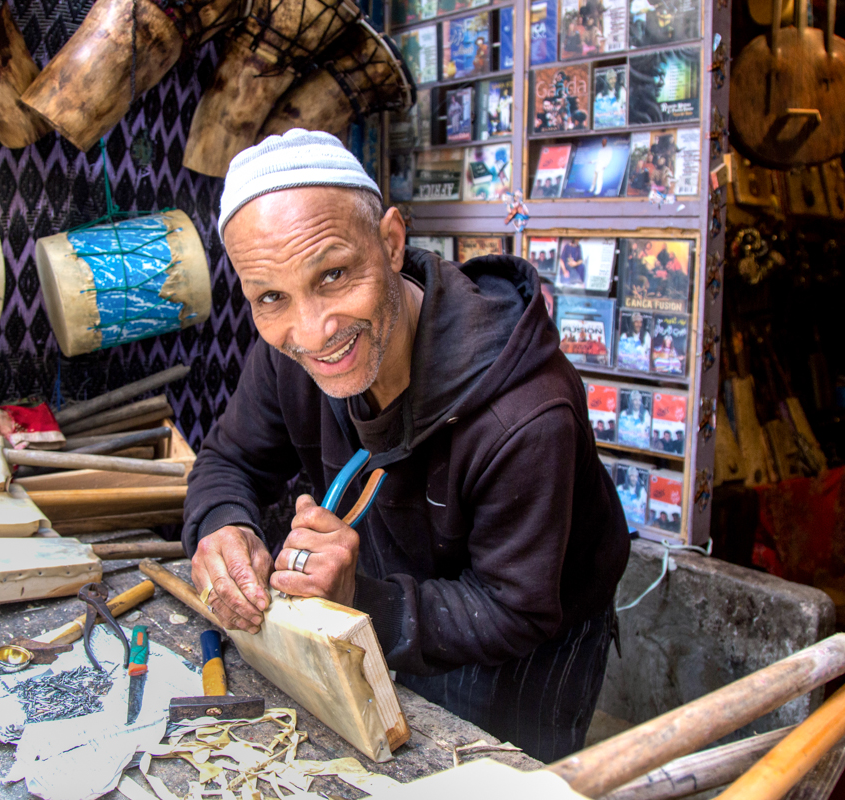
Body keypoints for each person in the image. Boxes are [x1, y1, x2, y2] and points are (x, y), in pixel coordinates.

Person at [186, 130, 630, 761]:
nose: (313, 332)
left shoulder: (526, 413)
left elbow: (516, 607)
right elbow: (229, 461)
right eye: (270, 298)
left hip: (527, 637)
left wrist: (365, 602)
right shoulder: (290, 354)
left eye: (334, 274)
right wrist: (222, 526)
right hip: (394, 606)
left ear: (391, 242)